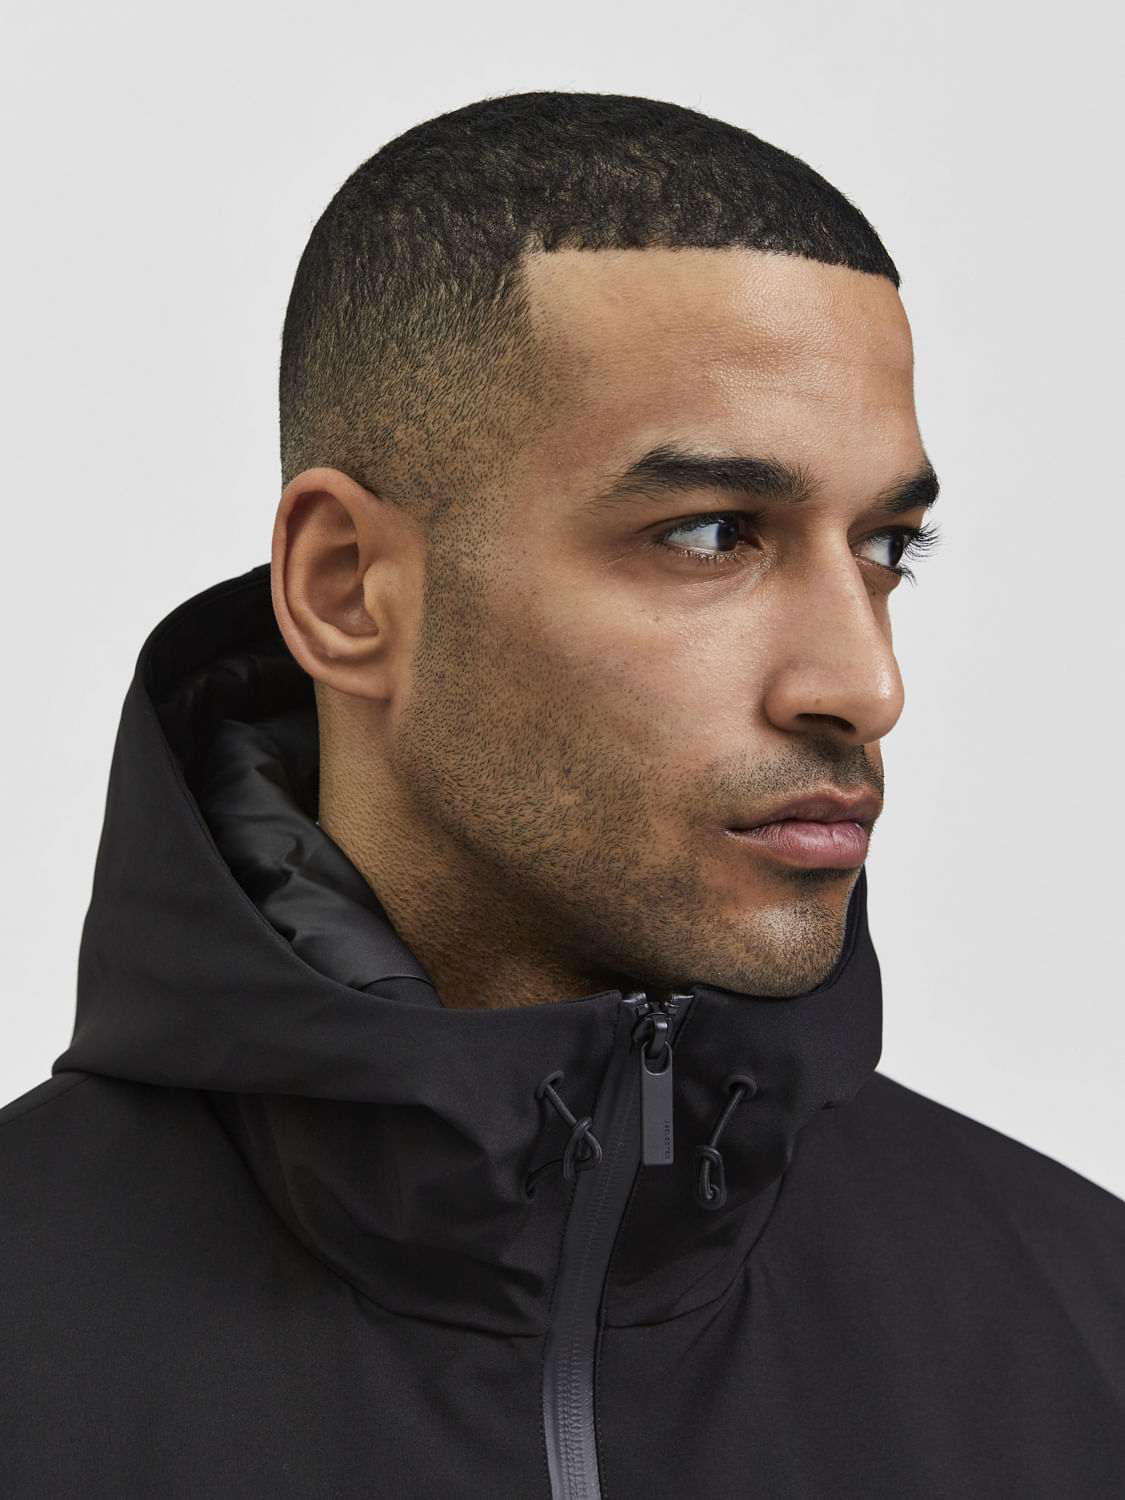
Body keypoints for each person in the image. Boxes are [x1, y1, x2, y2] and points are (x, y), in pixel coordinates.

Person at [1, 91, 1122, 1500]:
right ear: (346, 590)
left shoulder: (1085, 1329)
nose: (864, 683)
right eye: (711, 533)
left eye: (886, 545)